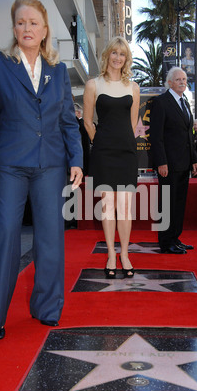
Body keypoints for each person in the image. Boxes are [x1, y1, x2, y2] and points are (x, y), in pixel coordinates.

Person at [0, 0, 83, 340]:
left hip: (51, 165)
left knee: (51, 237)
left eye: (33, 22)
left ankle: (47, 307)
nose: (26, 28)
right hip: (7, 166)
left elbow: (68, 122)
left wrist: (76, 159)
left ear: (45, 29)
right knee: (4, 235)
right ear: (14, 27)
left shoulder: (58, 71)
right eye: (20, 22)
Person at [83, 37, 140, 278]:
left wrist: (122, 143)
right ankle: (110, 255)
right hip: (104, 153)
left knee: (125, 208)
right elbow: (87, 121)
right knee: (108, 207)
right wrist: (101, 141)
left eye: (123, 54)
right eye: (114, 53)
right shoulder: (93, 85)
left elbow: (132, 123)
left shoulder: (133, 87)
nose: (118, 58)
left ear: (126, 59)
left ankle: (124, 254)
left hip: (126, 153)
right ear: (107, 55)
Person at [150, 66, 197, 255]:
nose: (182, 82)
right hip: (168, 165)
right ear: (170, 82)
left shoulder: (185, 102)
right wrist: (161, 162)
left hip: (184, 163)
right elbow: (156, 136)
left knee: (179, 203)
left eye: (185, 79)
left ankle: (175, 238)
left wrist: (194, 159)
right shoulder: (161, 102)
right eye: (178, 79)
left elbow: (189, 134)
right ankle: (165, 242)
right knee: (167, 204)